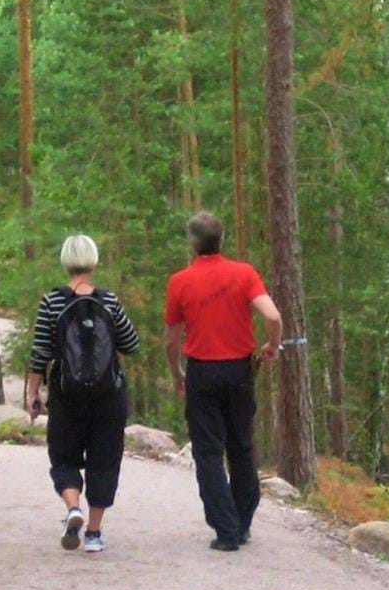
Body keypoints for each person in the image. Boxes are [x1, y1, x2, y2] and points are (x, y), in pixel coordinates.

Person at [164, 213, 282, 552]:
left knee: (208, 452)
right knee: (242, 447)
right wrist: (271, 347)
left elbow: (171, 341)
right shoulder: (244, 274)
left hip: (202, 372)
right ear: (222, 239)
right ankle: (242, 523)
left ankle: (226, 530)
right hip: (240, 372)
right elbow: (272, 316)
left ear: (193, 242)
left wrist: (177, 373)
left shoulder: (180, 282)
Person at [25, 235, 141, 554]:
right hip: (108, 396)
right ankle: (93, 532)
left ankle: (72, 506)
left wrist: (33, 393)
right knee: (104, 460)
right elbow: (131, 345)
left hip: (67, 395)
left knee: (63, 456)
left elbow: (40, 353)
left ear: (65, 261)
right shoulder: (110, 301)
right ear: (93, 261)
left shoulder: (52, 302)